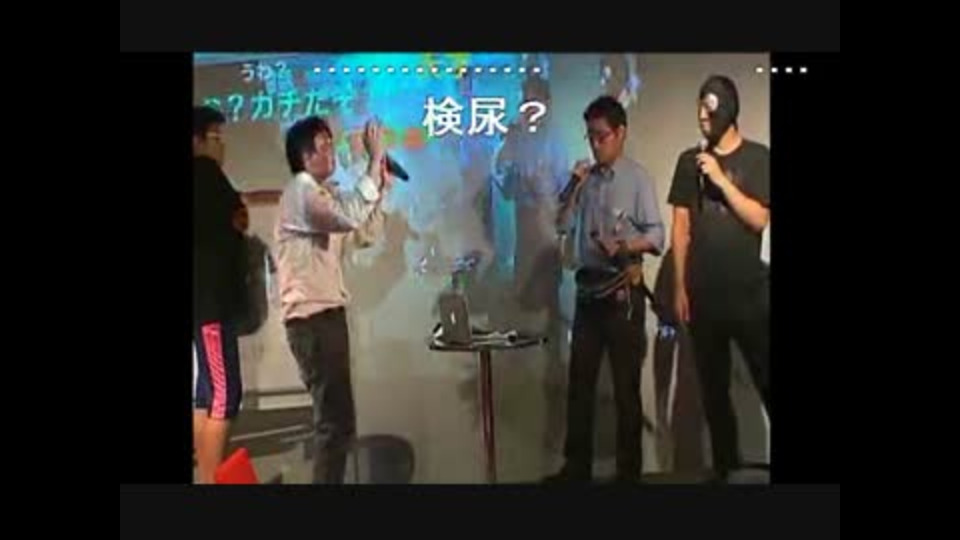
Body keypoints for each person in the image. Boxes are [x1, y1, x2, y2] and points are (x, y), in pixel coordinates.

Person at [545, 96, 664, 484]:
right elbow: (560, 224)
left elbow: (657, 236)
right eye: (590, 137)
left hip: (621, 293)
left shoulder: (637, 178)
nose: (596, 145)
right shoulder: (587, 180)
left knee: (626, 388)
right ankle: (576, 467)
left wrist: (625, 245)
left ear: (620, 133)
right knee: (580, 385)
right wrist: (573, 186)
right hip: (588, 293)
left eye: (602, 136)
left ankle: (628, 473)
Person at [274, 115, 393, 483]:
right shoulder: (301, 192)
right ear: (305, 157)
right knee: (334, 424)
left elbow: (363, 233)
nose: (333, 151)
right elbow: (347, 217)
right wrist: (374, 160)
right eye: (324, 146)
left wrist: (381, 189)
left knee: (339, 423)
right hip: (312, 321)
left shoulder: (323, 196)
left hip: (327, 318)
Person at [666, 75, 770, 481]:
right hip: (704, 295)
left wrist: (722, 181)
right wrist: (679, 286)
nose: (701, 116)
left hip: (750, 294)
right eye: (699, 107)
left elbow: (759, 219)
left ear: (727, 108)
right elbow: (680, 227)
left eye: (708, 107)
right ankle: (726, 469)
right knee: (713, 391)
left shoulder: (759, 158)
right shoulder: (688, 162)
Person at [192, 105, 249, 483]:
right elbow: (238, 220)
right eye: (214, 137)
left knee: (207, 394)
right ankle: (212, 481)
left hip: (204, 305)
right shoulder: (205, 174)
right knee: (225, 396)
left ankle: (206, 476)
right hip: (211, 304)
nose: (221, 145)